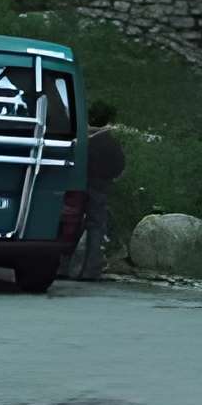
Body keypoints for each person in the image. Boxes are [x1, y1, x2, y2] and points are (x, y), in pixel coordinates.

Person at [74, 100, 127, 282]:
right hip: (100, 187)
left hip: (75, 185)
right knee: (96, 227)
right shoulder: (109, 141)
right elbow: (119, 166)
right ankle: (90, 269)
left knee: (71, 224)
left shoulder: (78, 137)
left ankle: (65, 266)